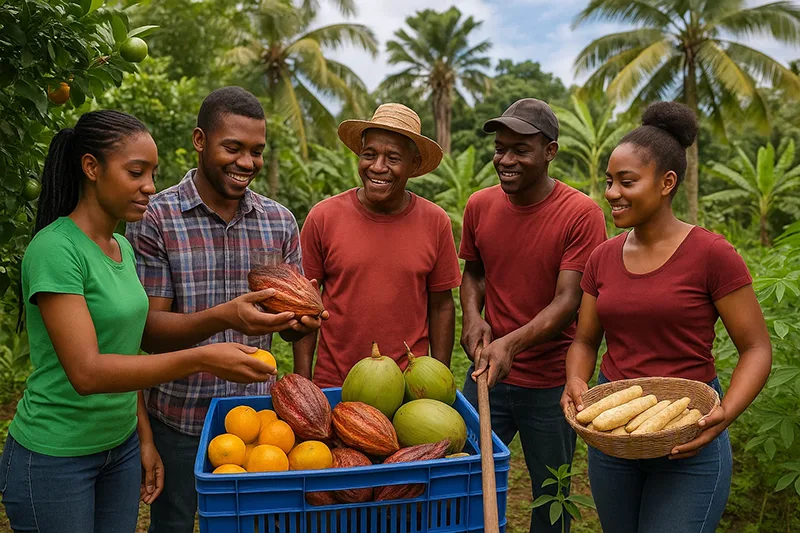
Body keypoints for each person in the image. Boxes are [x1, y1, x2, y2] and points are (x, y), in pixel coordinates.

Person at [0, 110, 274, 533]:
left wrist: (143, 439)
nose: (149, 186)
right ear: (91, 168)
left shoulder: (121, 249)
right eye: (136, 172)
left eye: (153, 173)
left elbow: (126, 354)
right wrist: (202, 358)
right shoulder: (55, 249)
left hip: (120, 449)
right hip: (57, 455)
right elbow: (88, 371)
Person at [560, 101, 772, 532]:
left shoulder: (712, 254)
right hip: (615, 439)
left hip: (690, 436)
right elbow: (584, 341)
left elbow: (756, 348)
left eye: (626, 182)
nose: (612, 193)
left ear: (666, 182)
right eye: (609, 182)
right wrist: (576, 380)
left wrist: (724, 414)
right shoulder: (602, 258)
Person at [125, 87, 323, 533]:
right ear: (200, 141)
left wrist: (300, 320)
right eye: (232, 147)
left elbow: (291, 327)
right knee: (174, 524)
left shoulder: (280, 221)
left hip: (259, 420)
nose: (246, 162)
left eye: (256, 151)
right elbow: (149, 331)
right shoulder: (157, 217)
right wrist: (227, 316)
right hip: (179, 417)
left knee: (256, 525)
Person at [460, 98, 607, 533]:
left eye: (520, 150)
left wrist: (512, 343)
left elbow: (568, 301)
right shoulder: (480, 206)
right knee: (466, 477)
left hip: (551, 382)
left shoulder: (580, 214)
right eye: (500, 148)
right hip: (488, 373)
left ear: (550, 152)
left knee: (552, 493)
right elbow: (473, 273)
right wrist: (472, 316)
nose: (505, 160)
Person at [294, 103, 461, 386]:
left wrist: (437, 381)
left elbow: (442, 307)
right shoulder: (323, 217)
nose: (378, 167)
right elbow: (305, 303)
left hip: (409, 384)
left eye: (393, 158)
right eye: (369, 154)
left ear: (413, 163)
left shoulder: (435, 222)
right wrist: (303, 381)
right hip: (335, 382)